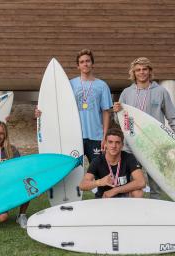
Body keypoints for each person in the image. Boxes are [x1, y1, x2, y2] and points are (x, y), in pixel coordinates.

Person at [35, 49, 112, 163]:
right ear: (78, 66)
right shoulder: (69, 84)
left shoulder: (102, 85)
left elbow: (106, 112)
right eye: (82, 62)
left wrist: (105, 136)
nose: (85, 64)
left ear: (92, 64)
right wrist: (41, 110)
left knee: (98, 172)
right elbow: (57, 105)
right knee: (73, 173)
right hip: (74, 135)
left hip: (96, 136)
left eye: (88, 61)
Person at [113, 57, 175, 199]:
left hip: (155, 145)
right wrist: (116, 112)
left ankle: (154, 214)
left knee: (155, 185)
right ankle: (131, 211)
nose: (142, 72)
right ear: (133, 73)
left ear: (150, 71)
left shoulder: (161, 91)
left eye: (144, 69)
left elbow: (172, 118)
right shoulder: (126, 93)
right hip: (131, 145)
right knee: (130, 183)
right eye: (138, 70)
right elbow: (119, 121)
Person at [79, 128, 146, 198]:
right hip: (105, 196)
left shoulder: (129, 157)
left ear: (122, 145)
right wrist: (99, 182)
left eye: (117, 142)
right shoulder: (97, 161)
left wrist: (115, 190)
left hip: (124, 196)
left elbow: (141, 182)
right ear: (105, 144)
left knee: (138, 192)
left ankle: (131, 209)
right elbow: (82, 185)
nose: (114, 146)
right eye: (110, 142)